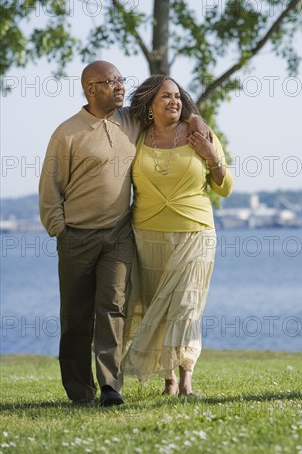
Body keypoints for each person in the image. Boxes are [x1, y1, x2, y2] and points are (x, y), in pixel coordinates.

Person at [39, 61, 209, 406]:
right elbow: (49, 187)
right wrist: (60, 229)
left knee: (114, 309)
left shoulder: (131, 121)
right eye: (111, 81)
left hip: (118, 234)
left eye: (121, 80)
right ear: (91, 88)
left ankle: (111, 387)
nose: (120, 86)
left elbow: (171, 110)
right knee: (76, 316)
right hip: (76, 236)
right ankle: (79, 390)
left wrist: (196, 119)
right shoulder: (67, 133)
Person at [122, 75, 233, 396]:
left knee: (186, 307)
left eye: (177, 97)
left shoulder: (200, 131)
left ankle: (186, 381)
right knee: (158, 307)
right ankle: (168, 380)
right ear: (149, 106)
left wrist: (212, 156)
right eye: (165, 97)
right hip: (147, 234)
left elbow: (225, 188)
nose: (174, 102)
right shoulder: (139, 135)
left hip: (195, 232)